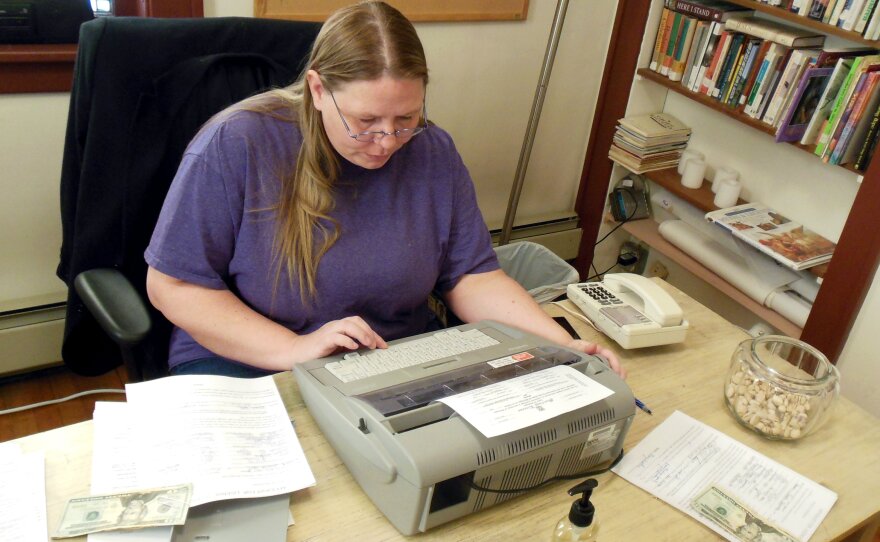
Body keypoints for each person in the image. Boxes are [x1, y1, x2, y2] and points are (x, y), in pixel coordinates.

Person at [145, 1, 625, 379]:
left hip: (393, 358)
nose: (387, 143)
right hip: (248, 364)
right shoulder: (237, 143)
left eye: (405, 120)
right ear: (316, 90)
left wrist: (558, 342)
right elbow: (174, 286)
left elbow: (471, 276)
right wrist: (295, 349)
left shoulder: (432, 151)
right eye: (365, 122)